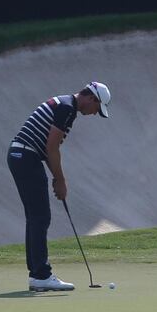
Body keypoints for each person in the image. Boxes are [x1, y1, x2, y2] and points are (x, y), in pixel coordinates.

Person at [7, 82, 111, 292]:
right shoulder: (67, 108)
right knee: (40, 217)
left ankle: (37, 274)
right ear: (92, 99)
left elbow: (47, 147)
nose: (93, 114)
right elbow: (52, 146)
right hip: (27, 157)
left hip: (21, 155)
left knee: (36, 218)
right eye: (96, 109)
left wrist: (56, 178)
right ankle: (41, 275)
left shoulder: (64, 102)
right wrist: (61, 180)